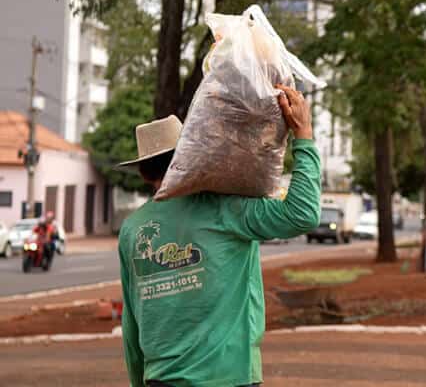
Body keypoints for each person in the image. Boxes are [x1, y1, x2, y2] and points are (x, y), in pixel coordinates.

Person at [117, 84, 321, 387]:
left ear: (145, 173)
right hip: (230, 377)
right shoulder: (226, 208)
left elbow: (131, 325)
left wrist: (140, 382)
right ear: (194, 155)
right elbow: (302, 213)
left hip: (159, 380)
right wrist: (303, 135)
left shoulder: (132, 230)